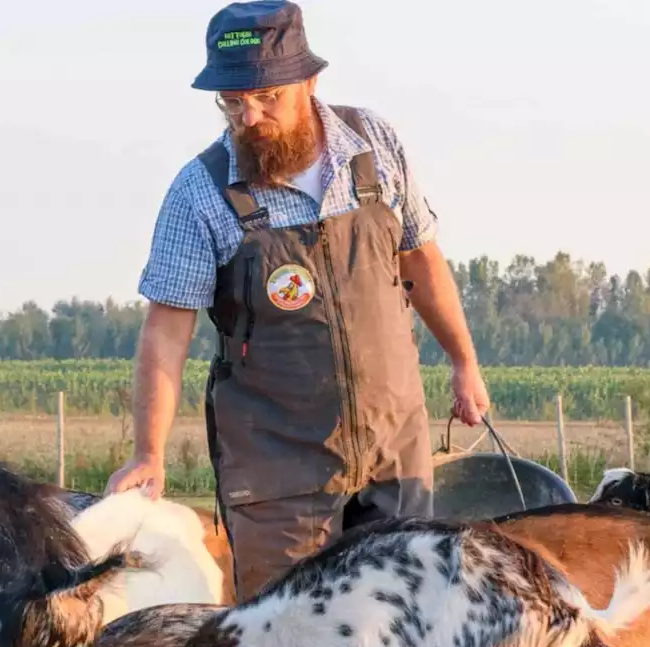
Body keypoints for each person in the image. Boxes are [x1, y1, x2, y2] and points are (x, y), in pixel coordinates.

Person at [105, 0, 490, 602]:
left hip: (394, 450)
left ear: (309, 82)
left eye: (266, 98)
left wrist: (463, 362)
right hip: (277, 474)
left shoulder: (374, 145)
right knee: (287, 644)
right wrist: (148, 454)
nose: (249, 116)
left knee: (405, 628)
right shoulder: (200, 193)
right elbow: (167, 330)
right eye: (233, 102)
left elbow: (420, 259)